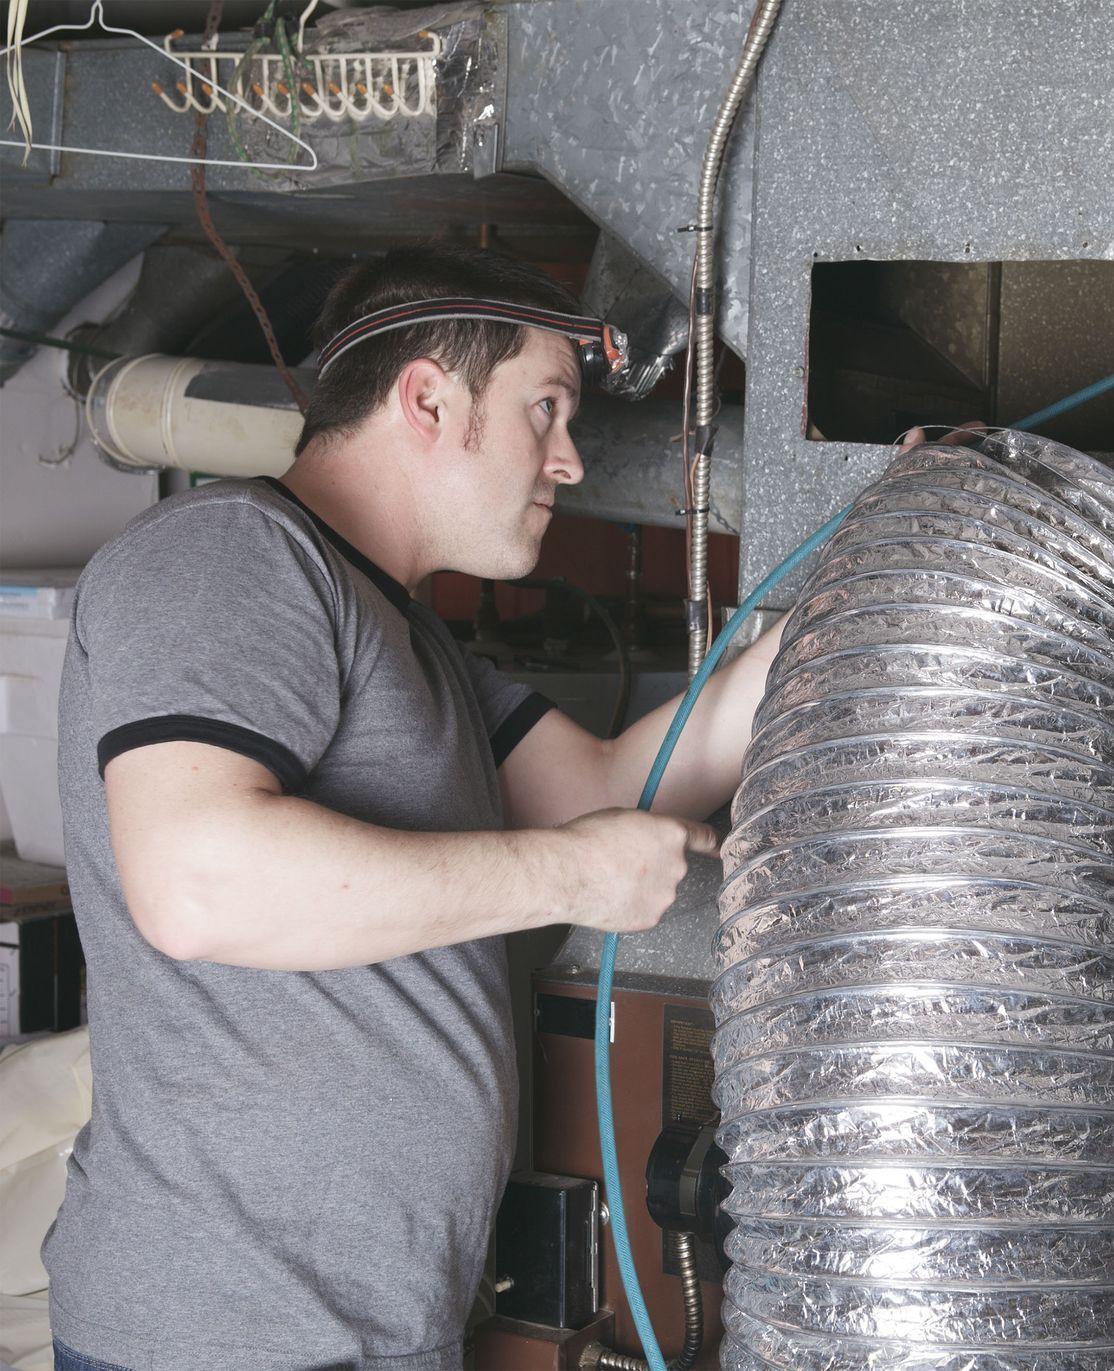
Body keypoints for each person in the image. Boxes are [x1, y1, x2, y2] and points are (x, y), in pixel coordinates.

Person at [44, 244, 780, 1371]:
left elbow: (613, 789)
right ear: (428, 398)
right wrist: (574, 875)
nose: (571, 461)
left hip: (374, 1331)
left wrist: (848, 595)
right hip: (222, 1335)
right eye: (546, 409)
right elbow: (196, 882)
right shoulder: (232, 556)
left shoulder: (411, 640)